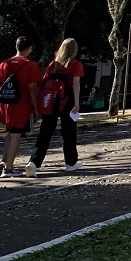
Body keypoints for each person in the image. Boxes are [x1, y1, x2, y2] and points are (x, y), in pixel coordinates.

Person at [25, 38, 85, 176]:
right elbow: (76, 84)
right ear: (74, 50)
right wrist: (76, 102)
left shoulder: (53, 64)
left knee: (45, 133)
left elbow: (45, 81)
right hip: (67, 99)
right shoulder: (75, 64)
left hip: (51, 100)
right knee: (69, 132)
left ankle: (33, 163)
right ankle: (70, 162)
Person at [0, 36, 41, 178]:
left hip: (4, 105)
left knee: (9, 133)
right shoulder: (31, 65)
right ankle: (9, 169)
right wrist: (37, 108)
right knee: (16, 135)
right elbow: (32, 88)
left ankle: (4, 160)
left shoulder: (4, 64)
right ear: (29, 48)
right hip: (21, 105)